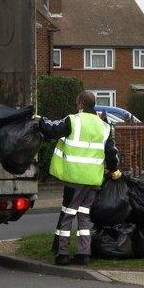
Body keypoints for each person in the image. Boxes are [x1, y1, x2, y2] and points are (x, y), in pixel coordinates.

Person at [39, 91, 120, 266]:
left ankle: (63, 254)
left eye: (77, 102)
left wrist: (39, 121)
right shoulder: (104, 126)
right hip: (93, 180)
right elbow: (111, 153)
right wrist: (114, 170)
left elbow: (52, 130)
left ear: (81, 103)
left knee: (68, 215)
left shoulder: (73, 120)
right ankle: (84, 254)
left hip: (75, 178)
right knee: (84, 216)